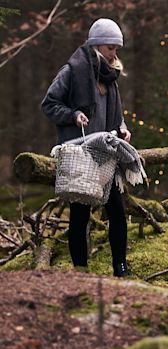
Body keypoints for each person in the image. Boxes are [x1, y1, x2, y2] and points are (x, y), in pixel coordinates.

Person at [41, 18, 133, 277]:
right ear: (96, 45)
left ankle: (120, 268)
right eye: (110, 48)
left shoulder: (110, 77)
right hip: (81, 156)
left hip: (106, 155)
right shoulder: (72, 70)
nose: (114, 53)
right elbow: (49, 104)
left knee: (116, 211)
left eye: (116, 48)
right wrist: (73, 115)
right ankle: (80, 273)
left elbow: (117, 115)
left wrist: (123, 128)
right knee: (80, 216)